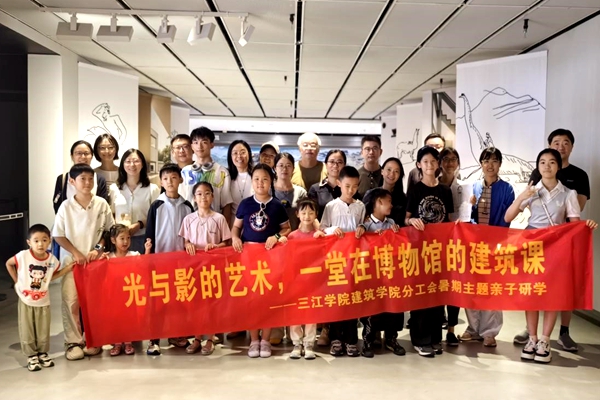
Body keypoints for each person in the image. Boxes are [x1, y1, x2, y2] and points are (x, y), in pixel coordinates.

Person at [504, 148, 597, 363]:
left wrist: (586, 225)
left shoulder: (569, 193)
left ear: (558, 166)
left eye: (552, 162)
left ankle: (545, 340)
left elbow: (574, 225)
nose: (547, 166)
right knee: (531, 293)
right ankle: (532, 338)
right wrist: (522, 197)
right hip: (532, 247)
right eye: (543, 162)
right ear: (538, 166)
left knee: (552, 293)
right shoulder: (531, 191)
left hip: (556, 247)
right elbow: (508, 216)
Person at [52, 163, 115, 361]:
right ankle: (73, 342)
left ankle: (93, 339)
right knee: (71, 301)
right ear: (72, 181)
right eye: (82, 179)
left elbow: (108, 231)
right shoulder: (66, 206)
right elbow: (58, 235)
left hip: (95, 262)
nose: (87, 183)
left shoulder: (101, 204)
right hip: (72, 262)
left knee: (95, 302)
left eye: (90, 179)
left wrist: (97, 249)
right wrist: (76, 253)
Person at [232, 164, 291, 358]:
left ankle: (265, 340)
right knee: (251, 300)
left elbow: (287, 229)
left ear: (271, 181)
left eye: (265, 179)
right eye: (256, 179)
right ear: (252, 181)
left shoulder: (277, 205)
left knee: (268, 298)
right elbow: (236, 227)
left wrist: (275, 236)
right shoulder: (245, 204)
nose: (260, 183)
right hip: (249, 257)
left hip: (270, 258)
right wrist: (235, 238)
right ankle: (253, 340)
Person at [461, 147, 514, 348]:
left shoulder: (507, 189)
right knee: (471, 287)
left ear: (499, 164)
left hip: (496, 245)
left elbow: (507, 217)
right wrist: (471, 206)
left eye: (494, 161)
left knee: (492, 288)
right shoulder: (473, 187)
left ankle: (490, 332)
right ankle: (473, 328)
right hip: (473, 245)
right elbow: (467, 217)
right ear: (481, 164)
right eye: (486, 161)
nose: (490, 165)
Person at [405, 146, 453, 357]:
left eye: (433, 161)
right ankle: (420, 339)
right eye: (425, 161)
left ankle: (434, 338)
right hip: (419, 250)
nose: (430, 165)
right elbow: (406, 218)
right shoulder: (415, 190)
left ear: (438, 164)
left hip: (440, 250)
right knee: (421, 294)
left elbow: (449, 220)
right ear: (419, 165)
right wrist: (412, 221)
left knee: (438, 293)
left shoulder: (445, 191)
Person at [5, 224, 73, 371]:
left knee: (43, 328)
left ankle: (42, 352)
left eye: (44, 240)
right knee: (27, 328)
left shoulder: (52, 260)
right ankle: (31, 355)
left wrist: (67, 269)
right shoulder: (23, 256)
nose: (40, 244)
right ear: (29, 242)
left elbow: (50, 276)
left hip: (43, 300)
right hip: (26, 300)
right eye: (36, 241)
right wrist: (17, 281)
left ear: (49, 241)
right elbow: (9, 264)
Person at [145, 163, 194, 355]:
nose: (170, 182)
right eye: (165, 178)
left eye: (174, 177)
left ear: (180, 179)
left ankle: (177, 334)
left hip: (181, 262)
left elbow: (191, 234)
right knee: (159, 302)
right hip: (160, 262)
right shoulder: (156, 206)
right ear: (161, 182)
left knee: (180, 299)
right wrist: (150, 258)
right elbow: (150, 235)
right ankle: (154, 339)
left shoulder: (187, 206)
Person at [179, 182, 231, 355]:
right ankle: (196, 338)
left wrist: (216, 246)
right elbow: (185, 241)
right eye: (199, 194)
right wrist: (188, 244)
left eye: (207, 193)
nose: (203, 197)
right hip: (194, 268)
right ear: (194, 198)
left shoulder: (219, 218)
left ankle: (210, 338)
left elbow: (226, 242)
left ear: (213, 197)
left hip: (213, 268)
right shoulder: (188, 219)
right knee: (196, 303)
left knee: (211, 303)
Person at [320, 166, 365, 357]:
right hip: (336, 260)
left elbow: (363, 226)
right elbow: (322, 228)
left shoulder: (360, 206)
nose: (350, 190)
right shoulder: (331, 206)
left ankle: (351, 339)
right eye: (347, 186)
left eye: (354, 186)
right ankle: (336, 338)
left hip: (354, 260)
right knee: (338, 300)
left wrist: (362, 227)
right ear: (339, 183)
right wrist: (332, 230)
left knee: (352, 300)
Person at [357, 188, 406, 358]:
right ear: (378, 202)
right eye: (388, 202)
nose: (391, 205)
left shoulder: (391, 222)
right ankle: (368, 341)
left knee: (393, 308)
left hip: (390, 274)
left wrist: (395, 234)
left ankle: (391, 339)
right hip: (373, 276)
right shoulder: (366, 225)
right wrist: (370, 236)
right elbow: (360, 245)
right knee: (373, 310)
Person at [271, 152, 308, 345]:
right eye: (281, 165)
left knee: (295, 289)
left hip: (297, 246)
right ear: (274, 168)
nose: (284, 169)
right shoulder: (269, 191)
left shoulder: (300, 192)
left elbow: (308, 215)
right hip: (274, 247)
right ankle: (277, 329)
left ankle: (294, 331)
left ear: (293, 169)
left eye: (288, 165)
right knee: (276, 287)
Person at [101, 224, 152, 356]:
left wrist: (147, 250)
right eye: (122, 238)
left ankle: (128, 342)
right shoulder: (109, 257)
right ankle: (117, 343)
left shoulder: (133, 255)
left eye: (128, 238)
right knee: (116, 319)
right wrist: (101, 259)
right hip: (114, 296)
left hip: (130, 294)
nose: (125, 242)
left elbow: (144, 265)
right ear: (113, 240)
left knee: (129, 318)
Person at [287, 198, 325, 360]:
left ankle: (309, 344)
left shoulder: (319, 235)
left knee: (311, 312)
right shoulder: (292, 236)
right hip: (296, 281)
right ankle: (297, 343)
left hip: (314, 281)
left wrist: (321, 237)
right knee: (295, 312)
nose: (307, 216)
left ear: (316, 214)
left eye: (311, 213)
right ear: (297, 214)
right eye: (303, 213)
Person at [109, 149, 160, 254]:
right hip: (119, 241)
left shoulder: (152, 189)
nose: (132, 165)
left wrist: (139, 224)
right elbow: (112, 214)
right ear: (123, 164)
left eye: (136, 161)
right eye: (128, 161)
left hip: (143, 238)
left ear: (142, 164)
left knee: (142, 264)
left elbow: (156, 216)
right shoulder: (114, 188)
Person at [437, 147, 463, 346]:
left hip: (457, 242)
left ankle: (452, 329)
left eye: (453, 159)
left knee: (455, 286)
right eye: (445, 159)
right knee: (437, 286)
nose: (450, 163)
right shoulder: (433, 184)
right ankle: (437, 327)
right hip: (435, 243)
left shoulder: (464, 187)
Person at [181, 127, 233, 223]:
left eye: (204, 142)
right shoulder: (185, 172)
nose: (199, 146)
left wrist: (225, 229)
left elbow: (226, 205)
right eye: (196, 142)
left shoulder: (222, 172)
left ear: (212, 144)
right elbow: (181, 202)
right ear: (192, 146)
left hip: (214, 224)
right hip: (190, 224)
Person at [53, 140, 109, 214]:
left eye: (86, 153)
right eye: (79, 153)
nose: (83, 157)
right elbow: (57, 204)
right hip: (68, 220)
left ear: (92, 156)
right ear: (72, 156)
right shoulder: (62, 179)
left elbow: (103, 207)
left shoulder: (99, 179)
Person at [308, 149, 348, 222]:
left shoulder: (349, 188)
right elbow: (311, 214)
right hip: (321, 228)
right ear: (326, 164)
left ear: (344, 165)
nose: (335, 165)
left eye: (339, 162)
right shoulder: (315, 189)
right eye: (332, 162)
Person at [227, 140, 254, 226]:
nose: (239, 156)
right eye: (235, 153)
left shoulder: (256, 175)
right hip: (232, 223)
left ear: (249, 154)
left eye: (243, 152)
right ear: (230, 156)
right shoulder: (227, 176)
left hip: (253, 222)